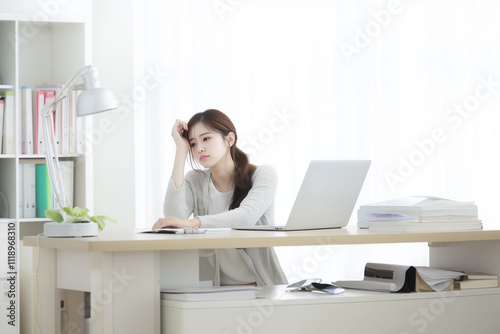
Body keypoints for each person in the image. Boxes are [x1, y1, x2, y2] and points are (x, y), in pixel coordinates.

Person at [153, 109, 288, 286]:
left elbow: (245, 217)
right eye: (193, 144)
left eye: (206, 138)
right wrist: (181, 150)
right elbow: (174, 215)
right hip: (214, 289)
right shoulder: (196, 180)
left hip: (262, 287)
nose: (199, 148)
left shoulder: (263, 174)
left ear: (230, 139)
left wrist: (193, 223)